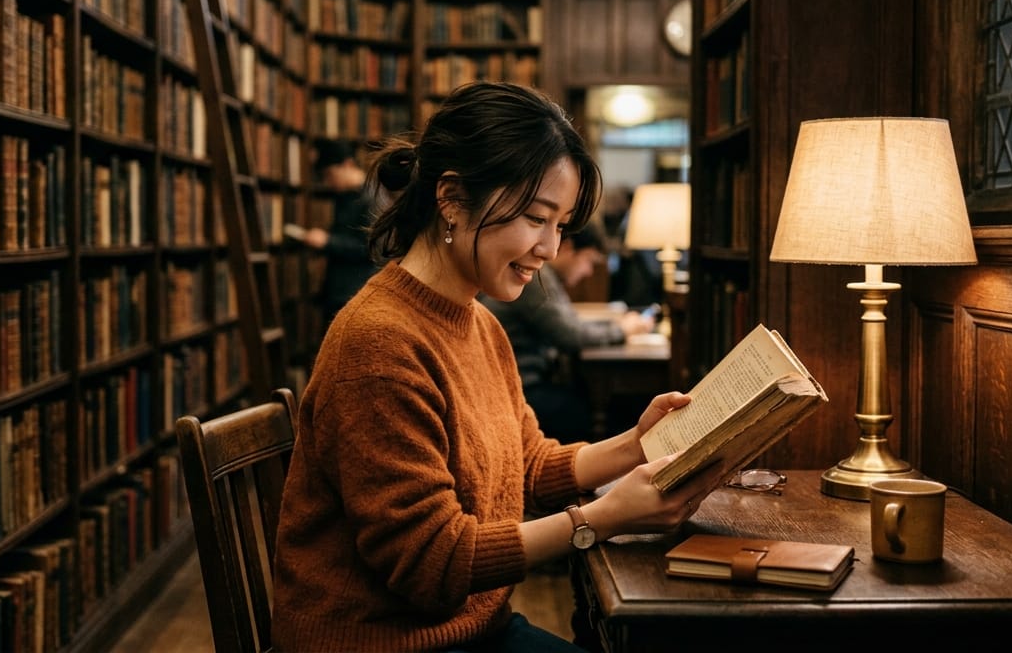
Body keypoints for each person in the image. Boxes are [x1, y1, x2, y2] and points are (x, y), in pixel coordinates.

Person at [271, 81, 723, 652]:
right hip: (381, 640)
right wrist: (601, 519)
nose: (551, 249)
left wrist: (637, 443)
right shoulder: (377, 343)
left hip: (470, 627)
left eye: (560, 226)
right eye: (537, 218)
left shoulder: (478, 321)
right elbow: (431, 563)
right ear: (453, 199)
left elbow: (525, 463)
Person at [480, 220, 655, 444]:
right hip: (519, 389)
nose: (589, 271)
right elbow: (570, 334)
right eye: (588, 261)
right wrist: (622, 330)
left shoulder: (546, 278)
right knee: (596, 413)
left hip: (521, 383)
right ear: (570, 249)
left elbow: (570, 324)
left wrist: (619, 327)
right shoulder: (534, 279)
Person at [298, 139, 381, 326]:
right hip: (342, 290)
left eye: (330, 174)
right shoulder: (346, 197)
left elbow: (371, 247)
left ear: (348, 165)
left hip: (357, 291)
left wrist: (327, 242)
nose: (328, 181)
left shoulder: (372, 197)